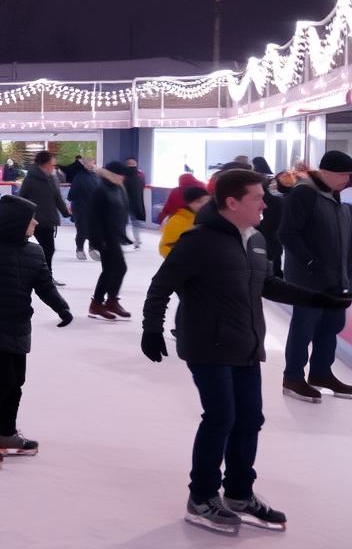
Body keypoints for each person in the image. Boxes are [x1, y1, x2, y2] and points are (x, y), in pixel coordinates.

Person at [141, 168, 352, 534]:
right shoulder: (199, 241)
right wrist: (151, 329)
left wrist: (319, 299)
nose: (265, 204)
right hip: (208, 345)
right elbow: (161, 285)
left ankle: (239, 493)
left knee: (250, 419)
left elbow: (268, 284)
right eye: (257, 197)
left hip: (247, 344)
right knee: (221, 418)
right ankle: (202, 497)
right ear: (232, 202)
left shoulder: (254, 239)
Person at [0, 196, 74, 468]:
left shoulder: (35, 251)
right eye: (31, 218)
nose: (36, 222)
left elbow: (44, 285)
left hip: (19, 324)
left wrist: (62, 308)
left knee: (16, 381)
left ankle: (7, 435)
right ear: (16, 221)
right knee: (2, 380)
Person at [277, 150, 352, 403]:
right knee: (304, 327)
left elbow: (344, 241)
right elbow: (287, 233)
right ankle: (293, 377)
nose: (347, 179)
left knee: (331, 326)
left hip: (336, 278)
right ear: (326, 172)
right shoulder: (304, 194)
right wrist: (310, 262)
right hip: (308, 280)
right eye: (343, 174)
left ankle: (321, 373)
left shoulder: (336, 197)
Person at [18, 151, 72, 287]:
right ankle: (44, 277)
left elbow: (57, 198)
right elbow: (21, 198)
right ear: (44, 164)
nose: (53, 166)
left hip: (49, 219)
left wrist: (66, 213)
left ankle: (43, 276)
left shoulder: (52, 178)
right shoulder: (31, 178)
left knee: (47, 249)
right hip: (35, 220)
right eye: (51, 163)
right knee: (47, 249)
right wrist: (23, 217)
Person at [86, 162, 132, 321]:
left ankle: (102, 303)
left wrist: (122, 234)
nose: (123, 177)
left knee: (111, 270)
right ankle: (106, 301)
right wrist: (96, 240)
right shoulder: (101, 190)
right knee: (118, 268)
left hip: (115, 235)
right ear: (111, 174)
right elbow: (93, 217)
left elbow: (121, 211)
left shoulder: (118, 188)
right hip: (105, 237)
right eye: (120, 174)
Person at [251, 157, 284, 278]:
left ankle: (272, 272)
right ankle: (276, 271)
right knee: (275, 244)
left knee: (270, 244)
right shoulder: (272, 177)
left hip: (269, 216)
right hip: (275, 215)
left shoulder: (260, 179)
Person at [159, 186, 209, 258]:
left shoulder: (210, 218)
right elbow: (165, 247)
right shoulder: (177, 221)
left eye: (208, 201)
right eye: (199, 201)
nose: (205, 205)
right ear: (188, 204)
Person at [68, 162, 99, 261]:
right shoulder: (79, 177)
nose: (92, 166)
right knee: (82, 230)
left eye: (93, 164)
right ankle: (80, 249)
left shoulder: (96, 177)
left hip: (94, 209)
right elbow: (72, 194)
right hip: (81, 209)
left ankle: (92, 248)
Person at [123, 157, 148, 251]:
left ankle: (126, 240)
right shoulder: (140, 175)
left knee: (125, 223)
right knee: (135, 223)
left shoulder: (123, 175)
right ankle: (136, 241)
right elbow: (143, 186)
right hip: (135, 203)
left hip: (125, 203)